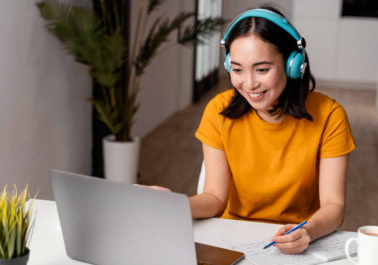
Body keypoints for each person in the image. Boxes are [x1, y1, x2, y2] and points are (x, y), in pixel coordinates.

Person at [149, 6, 355, 254]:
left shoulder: (330, 116)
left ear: (293, 64)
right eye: (237, 69)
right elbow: (215, 197)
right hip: (230, 238)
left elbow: (334, 206)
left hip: (295, 239)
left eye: (262, 69)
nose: (249, 84)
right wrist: (173, 205)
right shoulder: (218, 111)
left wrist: (308, 231)